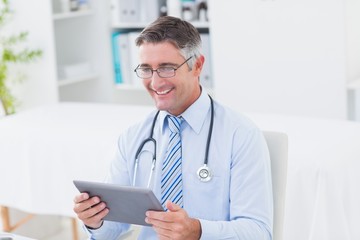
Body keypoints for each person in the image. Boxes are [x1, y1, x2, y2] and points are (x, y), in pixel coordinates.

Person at [73, 16, 273, 240]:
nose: (156, 83)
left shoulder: (240, 135)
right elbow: (112, 230)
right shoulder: (133, 137)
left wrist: (198, 231)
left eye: (167, 68)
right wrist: (96, 221)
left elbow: (259, 233)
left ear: (197, 65)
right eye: (146, 69)